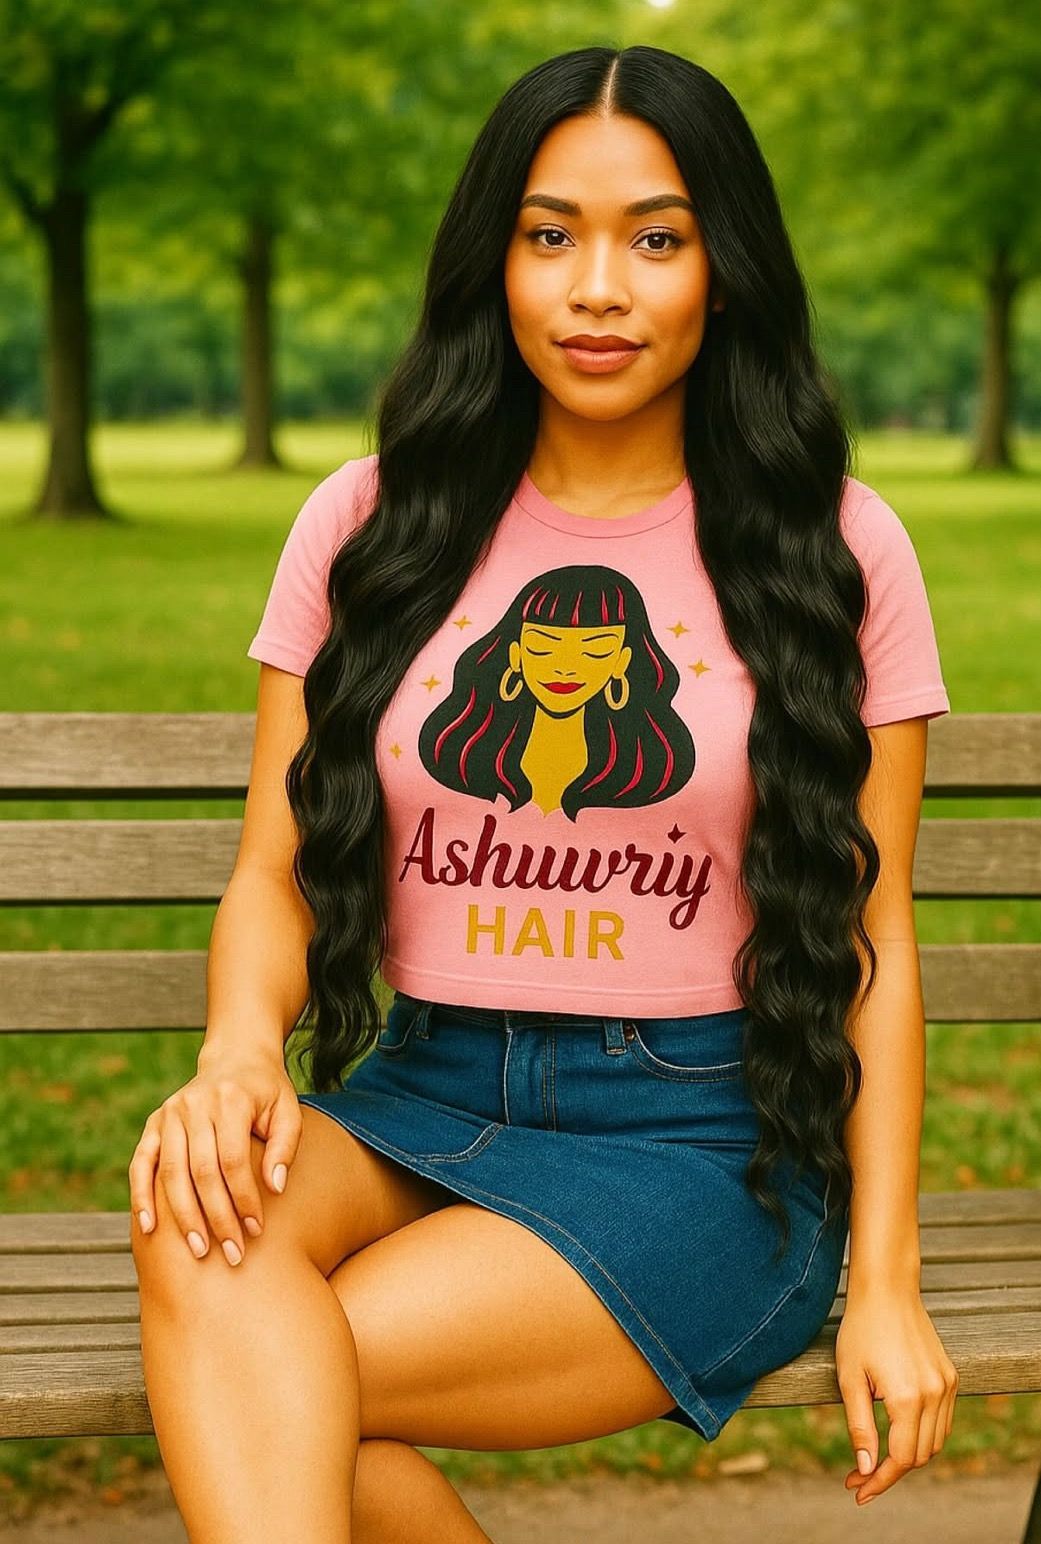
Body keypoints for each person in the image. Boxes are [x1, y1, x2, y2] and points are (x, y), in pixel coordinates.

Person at [129, 43, 959, 1541]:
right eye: (548, 233)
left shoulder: (829, 547)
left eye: (654, 237)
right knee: (200, 1236)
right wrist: (241, 1052)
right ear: (490, 260)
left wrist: (884, 1284)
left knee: (268, 1382)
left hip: (702, 1136)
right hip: (418, 1095)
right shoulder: (371, 520)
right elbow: (269, 867)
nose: (596, 288)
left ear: (725, 266)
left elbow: (872, 934)